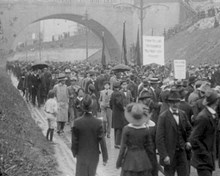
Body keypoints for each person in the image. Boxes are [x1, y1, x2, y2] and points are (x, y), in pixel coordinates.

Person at [156, 89, 192, 176]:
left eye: (177, 102)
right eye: (172, 102)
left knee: (185, 174)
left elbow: (189, 130)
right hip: (169, 154)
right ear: (169, 103)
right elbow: (159, 138)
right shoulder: (163, 117)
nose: (175, 104)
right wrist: (164, 155)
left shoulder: (182, 114)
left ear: (179, 102)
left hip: (182, 153)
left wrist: (188, 141)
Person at [71, 94, 108, 176]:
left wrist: (74, 152)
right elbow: (102, 141)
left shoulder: (77, 122)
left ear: (82, 106)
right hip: (94, 155)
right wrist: (105, 157)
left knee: (80, 173)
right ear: (92, 106)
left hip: (81, 154)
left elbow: (74, 141)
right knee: (92, 173)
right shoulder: (98, 122)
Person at [116, 103, 154, 176]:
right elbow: (150, 149)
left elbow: (122, 148)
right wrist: (152, 162)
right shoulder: (146, 130)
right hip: (144, 161)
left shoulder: (126, 129)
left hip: (129, 161)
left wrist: (119, 162)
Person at [190, 89, 219, 176]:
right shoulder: (203, 117)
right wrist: (205, 153)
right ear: (216, 102)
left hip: (208, 158)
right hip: (202, 160)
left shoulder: (212, 115)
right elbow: (193, 138)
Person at [110, 81, 127, 149]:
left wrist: (113, 109)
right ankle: (118, 143)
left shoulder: (113, 93)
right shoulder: (118, 94)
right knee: (120, 128)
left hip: (114, 112)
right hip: (119, 113)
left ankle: (116, 142)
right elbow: (119, 103)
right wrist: (123, 108)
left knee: (116, 128)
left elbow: (110, 104)